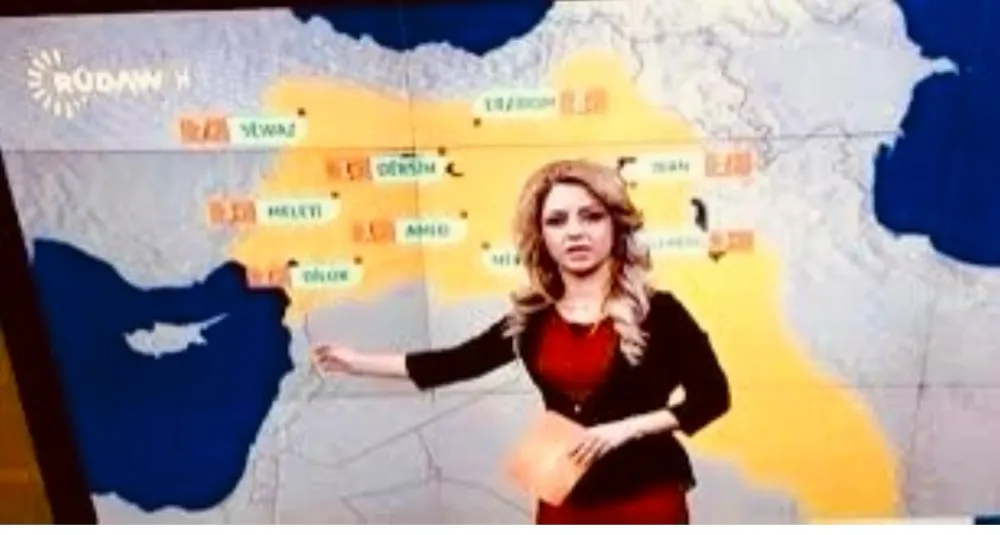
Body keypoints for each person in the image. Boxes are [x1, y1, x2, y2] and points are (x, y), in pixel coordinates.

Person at [311, 158, 731, 524]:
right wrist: (356, 361)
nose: (575, 232)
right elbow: (454, 363)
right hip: (564, 493)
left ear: (615, 225)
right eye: (557, 221)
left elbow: (712, 397)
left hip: (646, 495)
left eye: (591, 216)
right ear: (540, 235)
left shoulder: (660, 312)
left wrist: (625, 430)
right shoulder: (530, 320)